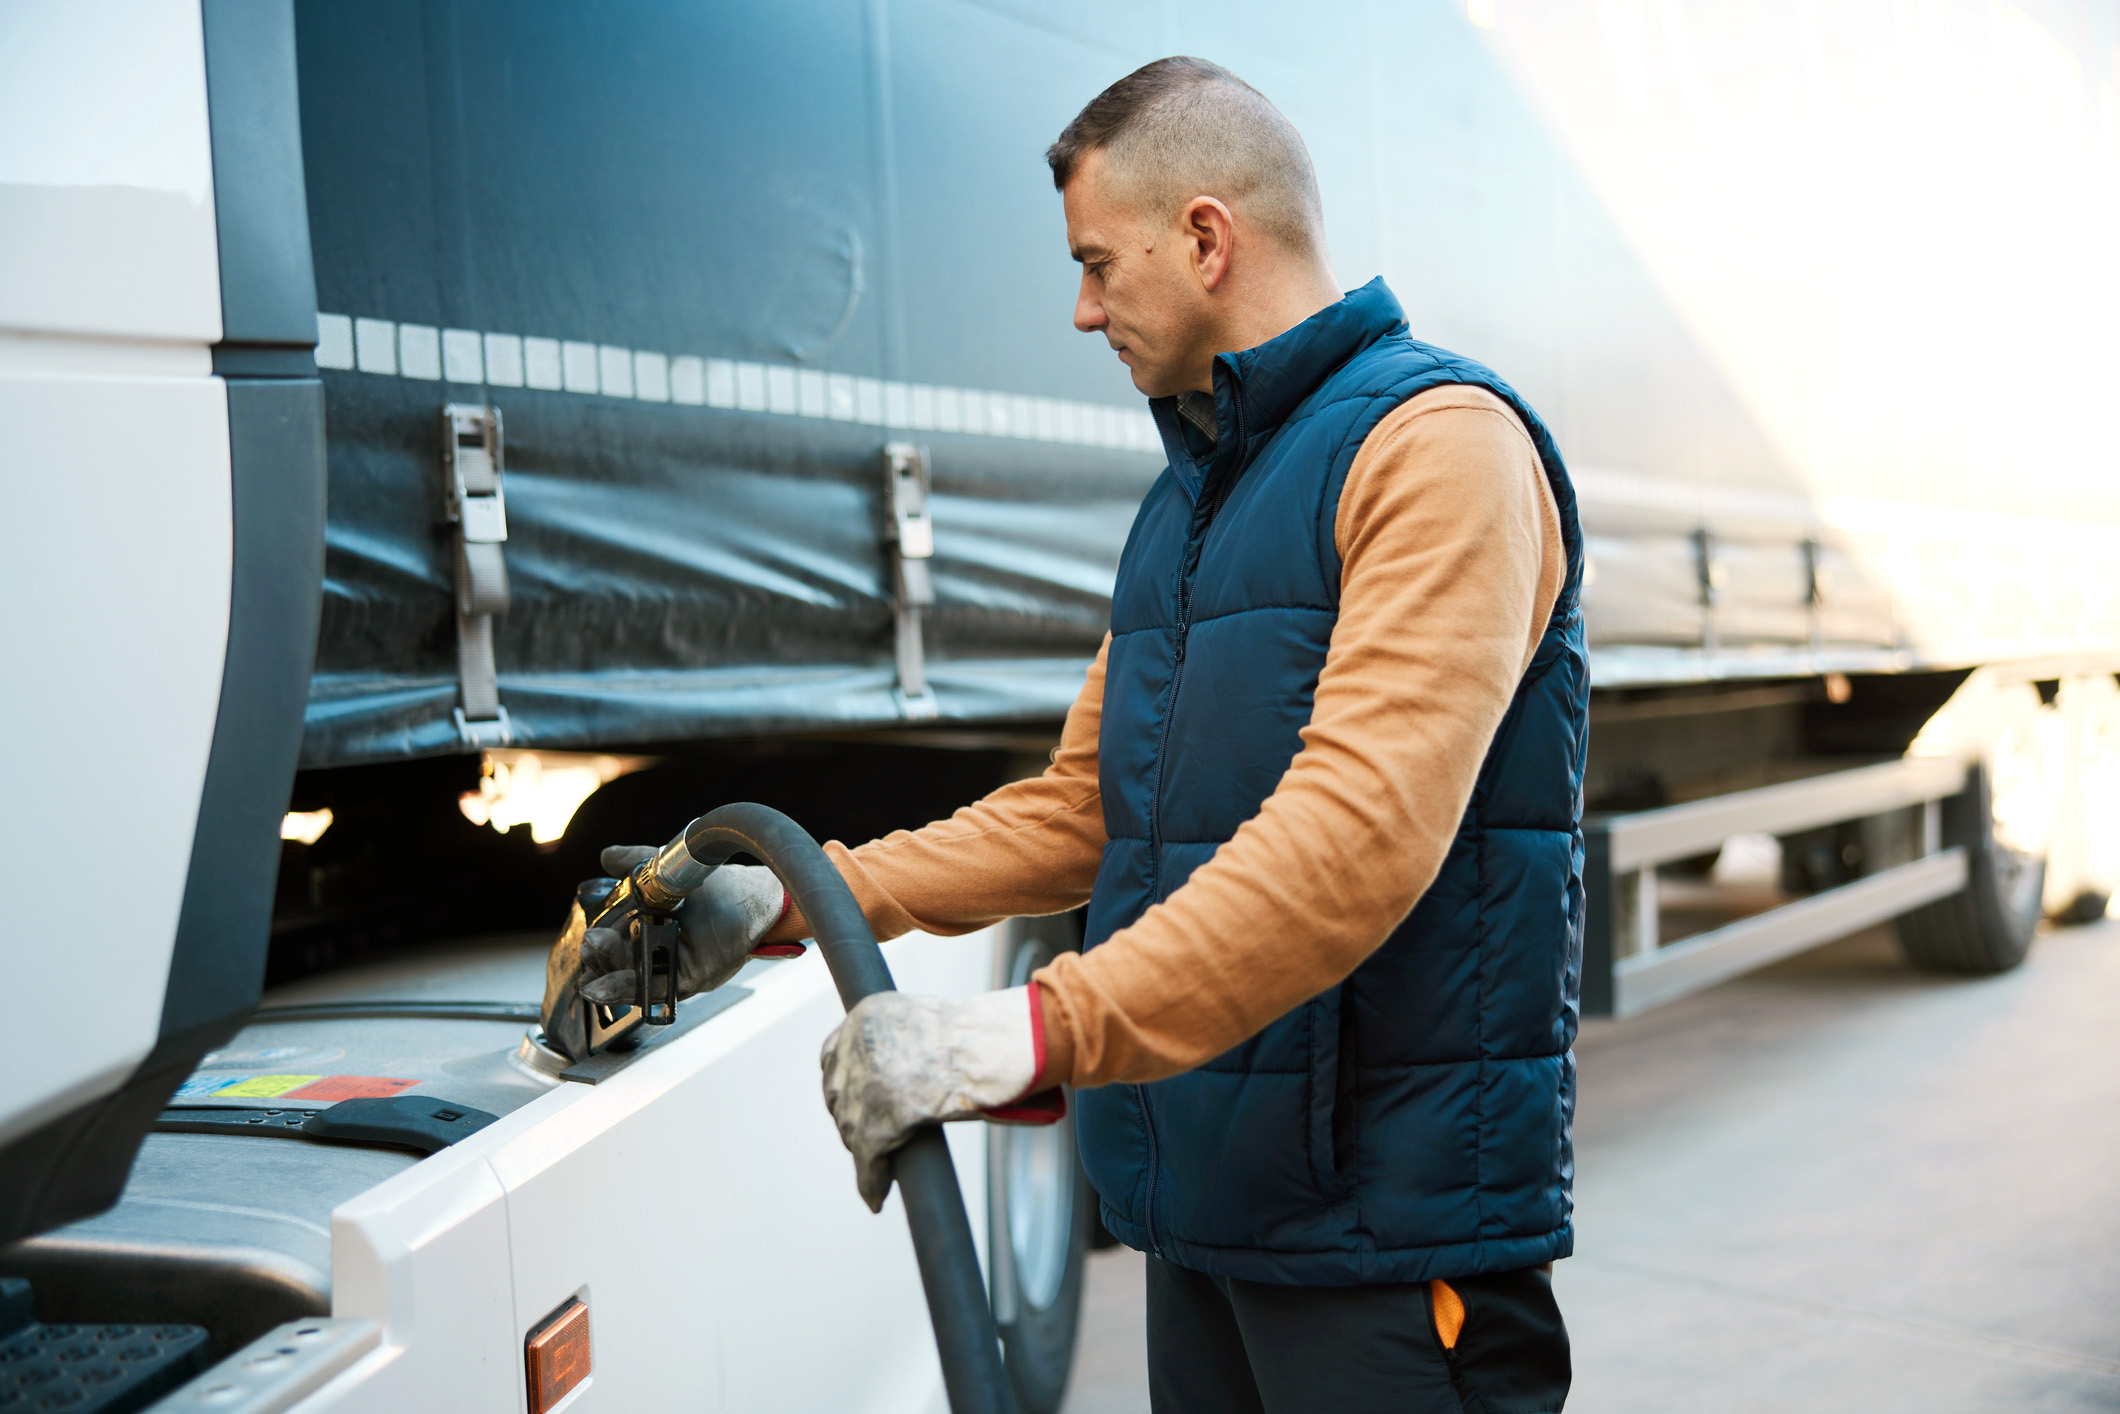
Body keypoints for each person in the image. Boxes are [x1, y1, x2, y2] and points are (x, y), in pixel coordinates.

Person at [580, 55, 1585, 1414]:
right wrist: (804, 895)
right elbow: (1083, 809)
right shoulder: (1194, 501)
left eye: (1099, 264)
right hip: (1208, 1216)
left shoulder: (1437, 448)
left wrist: (1025, 1033)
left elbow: (1358, 839)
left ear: (1208, 237)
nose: (1081, 307)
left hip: (1389, 1243)